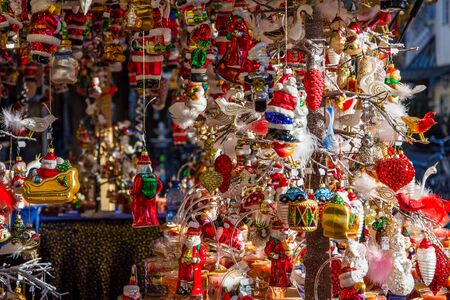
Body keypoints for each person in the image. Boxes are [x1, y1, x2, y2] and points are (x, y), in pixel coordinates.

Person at [131, 151, 163, 227]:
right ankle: (152, 222)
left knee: (141, 212)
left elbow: (136, 190)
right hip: (151, 200)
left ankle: (141, 222)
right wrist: (154, 192)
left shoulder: (138, 177)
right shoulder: (153, 176)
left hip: (140, 201)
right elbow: (160, 185)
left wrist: (131, 192)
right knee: (151, 212)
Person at [176, 222, 206, 297]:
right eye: (188, 235)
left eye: (191, 236)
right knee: (183, 277)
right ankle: (183, 289)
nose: (189, 237)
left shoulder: (200, 247)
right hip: (184, 265)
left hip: (192, 266)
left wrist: (197, 260)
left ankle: (192, 289)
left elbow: (204, 259)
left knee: (191, 278)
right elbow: (182, 254)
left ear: (196, 237)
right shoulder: (185, 246)